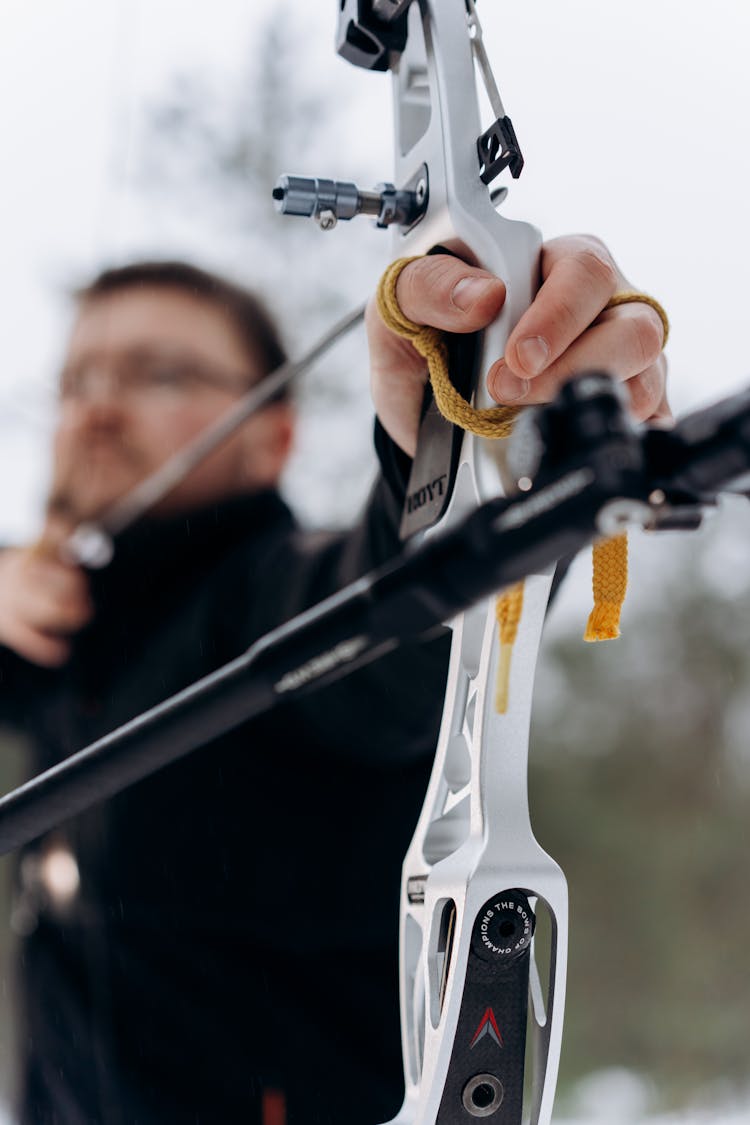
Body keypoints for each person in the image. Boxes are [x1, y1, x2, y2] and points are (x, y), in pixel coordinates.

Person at [0, 240, 668, 1124]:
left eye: (157, 374)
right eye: (77, 379)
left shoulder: (268, 599)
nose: (97, 410)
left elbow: (398, 618)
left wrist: (470, 443)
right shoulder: (64, 626)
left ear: (273, 436)